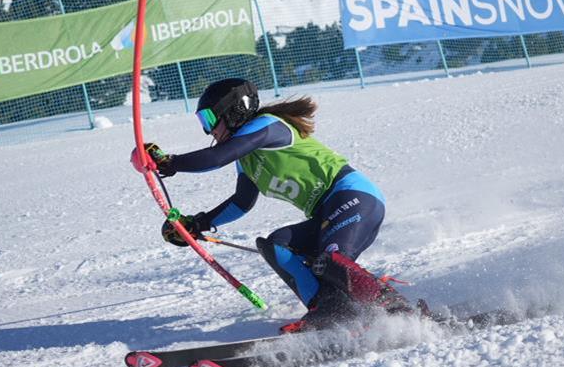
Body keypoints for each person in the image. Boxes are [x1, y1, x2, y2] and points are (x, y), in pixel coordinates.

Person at [131, 78, 414, 332]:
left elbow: (216, 157)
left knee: (330, 260)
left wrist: (171, 162)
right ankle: (330, 308)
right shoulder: (247, 158)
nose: (209, 131)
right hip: (327, 212)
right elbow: (242, 202)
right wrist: (197, 224)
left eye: (208, 119)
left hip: (353, 198)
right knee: (275, 245)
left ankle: (398, 309)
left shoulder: (267, 126)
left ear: (233, 110)